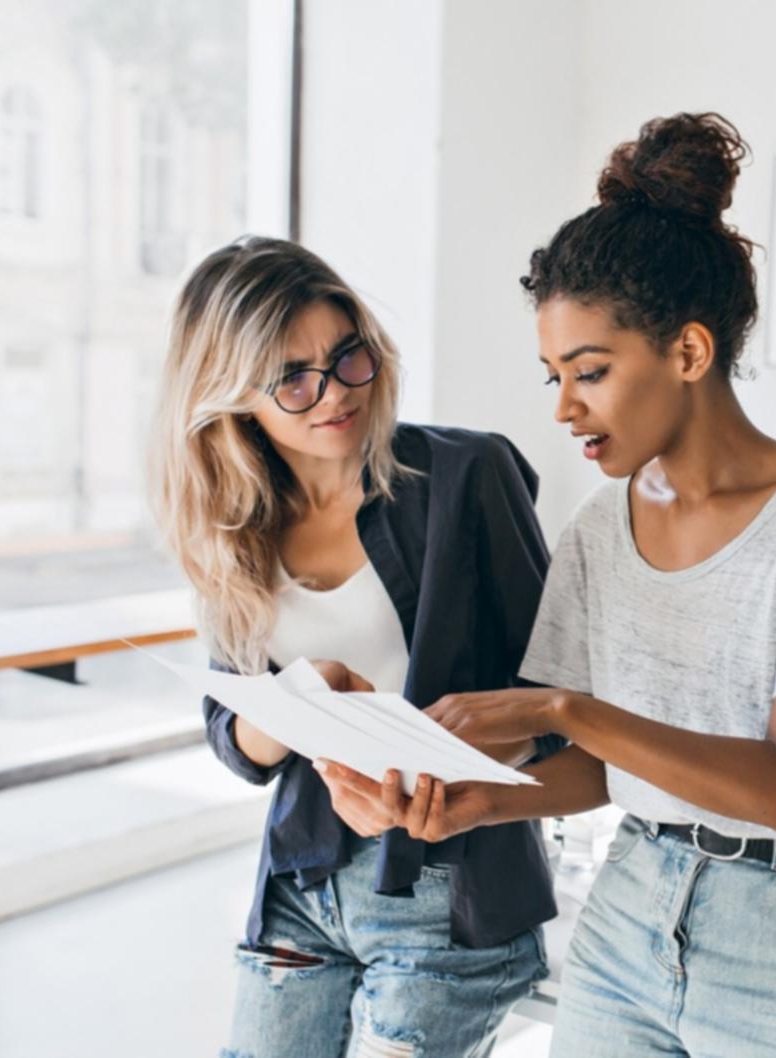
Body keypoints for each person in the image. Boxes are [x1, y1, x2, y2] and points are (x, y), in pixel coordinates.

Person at [319, 112, 776, 1057]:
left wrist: (556, 704)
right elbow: (605, 769)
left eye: (590, 372)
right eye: (553, 375)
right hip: (630, 905)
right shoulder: (599, 530)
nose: (563, 408)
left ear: (689, 353)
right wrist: (482, 802)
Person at [149, 236, 558, 1057]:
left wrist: (435, 762)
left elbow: (557, 703)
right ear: (231, 397)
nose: (333, 394)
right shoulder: (232, 526)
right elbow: (239, 743)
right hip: (302, 884)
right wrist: (295, 703)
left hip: (446, 885)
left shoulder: (465, 476)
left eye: (347, 358)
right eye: (292, 380)